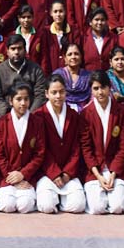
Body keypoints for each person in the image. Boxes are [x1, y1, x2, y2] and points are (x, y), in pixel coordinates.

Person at [81, 71, 124, 215]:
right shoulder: (86, 113)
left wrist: (113, 174)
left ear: (109, 87)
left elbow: (123, 147)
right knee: (98, 208)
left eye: (103, 87)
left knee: (117, 207)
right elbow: (86, 148)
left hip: (116, 169)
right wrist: (98, 175)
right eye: (96, 88)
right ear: (91, 90)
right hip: (95, 170)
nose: (100, 92)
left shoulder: (122, 112)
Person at [34, 75, 86, 214]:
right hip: (47, 172)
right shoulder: (38, 116)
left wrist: (68, 173)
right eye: (54, 92)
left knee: (78, 205)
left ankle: (62, 202)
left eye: (62, 92)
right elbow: (40, 150)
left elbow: (76, 148)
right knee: (47, 206)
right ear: (46, 93)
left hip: (68, 173)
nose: (58, 96)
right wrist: (54, 173)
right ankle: (53, 199)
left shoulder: (73, 115)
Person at [0, 82, 44, 213]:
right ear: (10, 101)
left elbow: (39, 154)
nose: (23, 103)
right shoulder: (1, 123)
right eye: (18, 99)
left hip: (27, 177)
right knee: (7, 206)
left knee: (25, 206)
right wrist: (11, 177)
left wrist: (23, 174)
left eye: (26, 99)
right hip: (7, 177)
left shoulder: (37, 122)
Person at [0, 34, 47, 117]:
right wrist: (9, 114)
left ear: (25, 50)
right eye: (13, 49)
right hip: (6, 115)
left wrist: (29, 114)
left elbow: (40, 96)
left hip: (31, 114)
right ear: (7, 51)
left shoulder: (36, 69)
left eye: (19, 48)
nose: (16, 52)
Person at [40, 0, 80, 75]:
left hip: (70, 74)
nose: (58, 14)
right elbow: (44, 58)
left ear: (65, 13)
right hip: (52, 74)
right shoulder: (45, 32)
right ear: (51, 13)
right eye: (55, 11)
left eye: (61, 11)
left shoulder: (74, 31)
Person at [53, 43, 91, 112]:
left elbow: (92, 98)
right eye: (70, 54)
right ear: (65, 58)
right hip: (62, 111)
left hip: (85, 113)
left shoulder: (88, 76)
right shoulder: (58, 75)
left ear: (81, 56)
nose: (73, 57)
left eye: (76, 54)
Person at [81, 7, 118, 71]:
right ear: (90, 22)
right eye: (96, 19)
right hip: (89, 77)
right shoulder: (83, 39)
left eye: (102, 20)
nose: (100, 22)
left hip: (109, 77)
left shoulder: (113, 38)